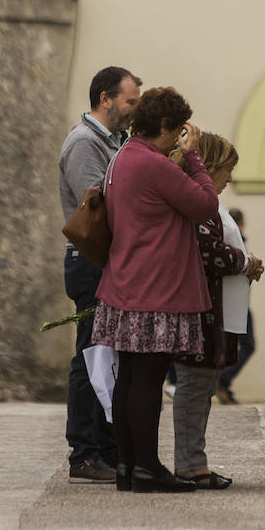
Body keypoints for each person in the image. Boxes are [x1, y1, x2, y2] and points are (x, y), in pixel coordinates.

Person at [92, 87, 216, 493]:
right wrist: (195, 156)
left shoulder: (122, 158)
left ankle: (129, 466)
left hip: (125, 285)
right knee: (148, 379)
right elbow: (205, 204)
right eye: (177, 130)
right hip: (155, 290)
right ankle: (147, 466)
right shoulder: (153, 164)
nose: (178, 138)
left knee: (130, 377)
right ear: (164, 126)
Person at [58, 65, 141, 484]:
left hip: (106, 261)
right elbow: (101, 205)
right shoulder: (84, 144)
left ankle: (106, 451)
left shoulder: (114, 143)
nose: (134, 110)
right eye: (130, 102)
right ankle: (83, 454)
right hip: (90, 262)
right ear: (105, 99)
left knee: (107, 356)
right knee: (90, 356)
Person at [168, 134, 262, 487]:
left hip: (207, 310)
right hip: (198, 310)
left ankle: (195, 461)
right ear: (210, 166)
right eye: (228, 169)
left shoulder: (205, 203)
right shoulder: (197, 204)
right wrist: (244, 261)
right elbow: (205, 250)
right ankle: (190, 464)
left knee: (202, 387)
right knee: (194, 387)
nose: (230, 179)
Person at [216, 208, 261, 404]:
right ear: (240, 223)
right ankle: (223, 380)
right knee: (247, 345)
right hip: (237, 303)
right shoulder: (238, 241)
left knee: (234, 345)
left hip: (235, 302)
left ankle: (223, 382)